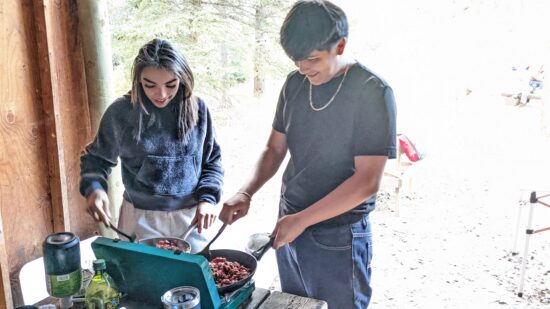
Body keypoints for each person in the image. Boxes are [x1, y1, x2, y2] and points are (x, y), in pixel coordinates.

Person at [219, 1, 396, 308]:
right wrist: (245, 192)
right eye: (297, 60)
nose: (303, 68)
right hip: (289, 223)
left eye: (312, 59)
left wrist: (302, 220)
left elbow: (367, 181)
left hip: (338, 235)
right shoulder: (294, 83)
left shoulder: (372, 92)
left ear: (339, 46)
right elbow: (274, 149)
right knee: (295, 304)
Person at [80, 38, 223, 253]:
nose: (162, 94)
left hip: (192, 217)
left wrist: (208, 199)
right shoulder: (121, 113)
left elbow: (212, 161)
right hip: (140, 216)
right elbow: (95, 161)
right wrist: (95, 189)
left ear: (183, 79)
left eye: (171, 84)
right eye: (150, 85)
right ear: (138, 81)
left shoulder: (198, 110)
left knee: (194, 281)